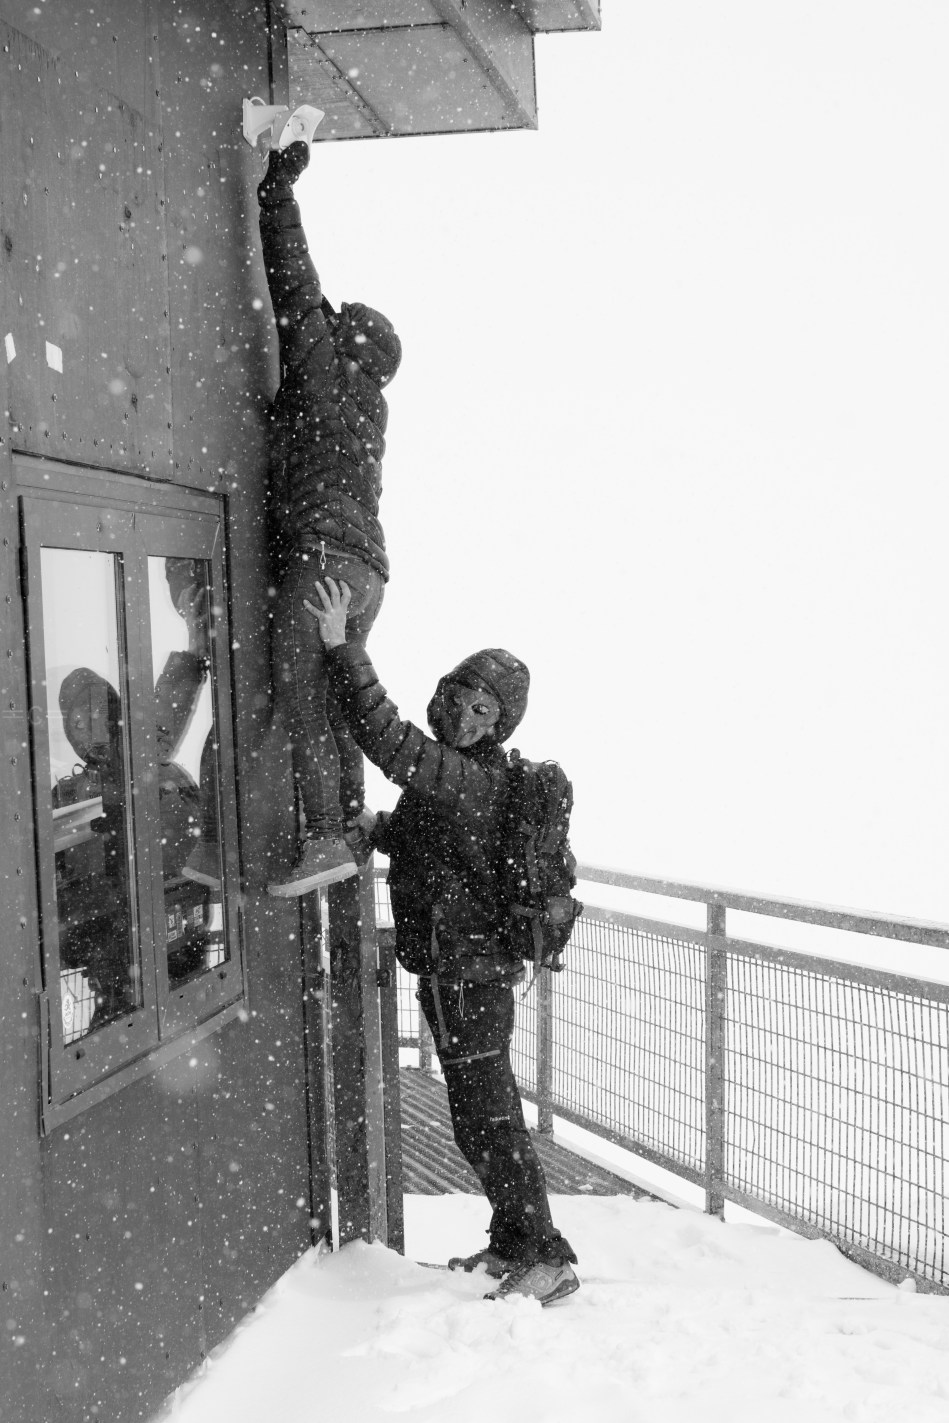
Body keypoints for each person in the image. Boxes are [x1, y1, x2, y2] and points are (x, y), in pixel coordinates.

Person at [305, 577, 580, 1306]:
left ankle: (546, 1255)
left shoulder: (471, 779)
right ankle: (512, 1241)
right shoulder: (464, 783)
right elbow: (438, 843)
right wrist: (382, 830)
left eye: (484, 707)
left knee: (488, 1117)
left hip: (472, 975)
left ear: (501, 724)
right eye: (460, 694)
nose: (464, 711)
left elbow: (389, 741)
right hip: (453, 969)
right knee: (477, 1117)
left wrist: (342, 649)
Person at [256, 131, 402, 896]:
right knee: (334, 705)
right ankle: (341, 830)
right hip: (363, 569)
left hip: (321, 564)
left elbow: (294, 283)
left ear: (346, 343)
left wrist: (277, 189)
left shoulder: (323, 374)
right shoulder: (367, 413)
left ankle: (322, 839)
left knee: (302, 705)